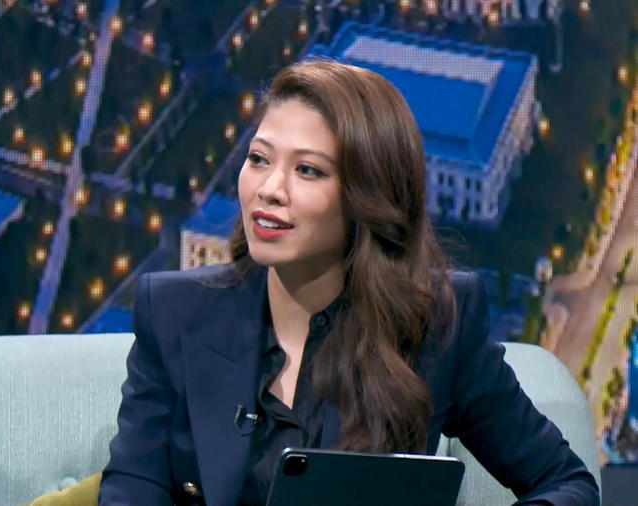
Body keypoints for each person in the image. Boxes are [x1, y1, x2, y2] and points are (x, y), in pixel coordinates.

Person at [98, 59, 600, 505]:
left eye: (307, 170)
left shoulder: (437, 324)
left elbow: (567, 484)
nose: (269, 189)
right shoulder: (173, 313)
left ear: (367, 196)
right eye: (259, 159)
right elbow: (129, 492)